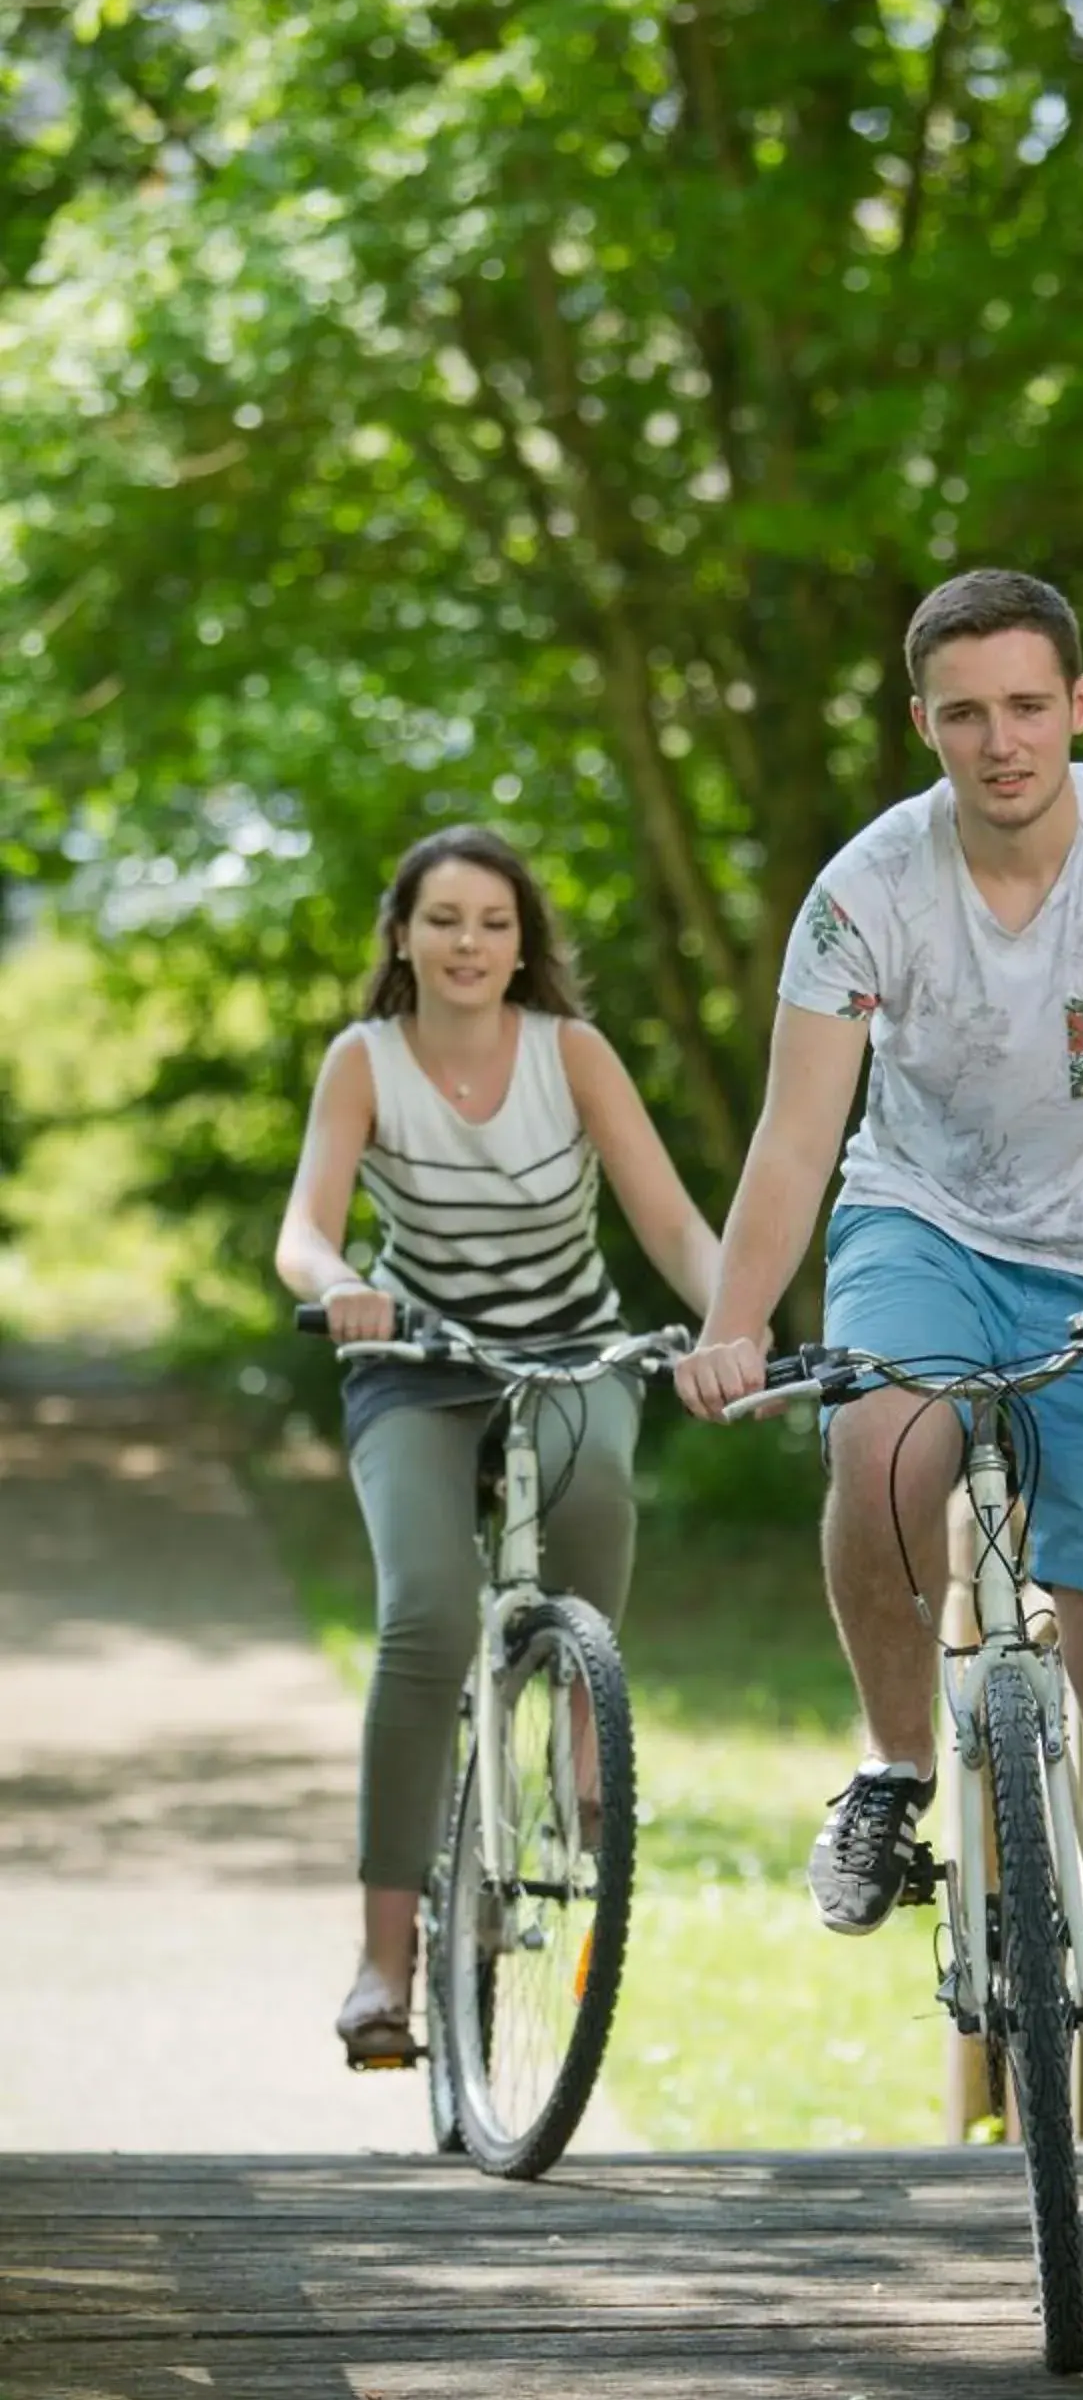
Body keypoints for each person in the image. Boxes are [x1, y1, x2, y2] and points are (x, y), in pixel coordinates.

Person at [676, 569, 1083, 2221]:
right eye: (966, 713)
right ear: (925, 726)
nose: (1001, 740)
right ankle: (893, 1772)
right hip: (924, 1224)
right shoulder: (868, 887)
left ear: (1080, 708)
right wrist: (737, 1325)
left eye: (1031, 706)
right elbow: (801, 1136)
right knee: (886, 1440)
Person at [276, 824, 719, 2066]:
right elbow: (303, 1233)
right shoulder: (365, 1062)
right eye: (443, 920)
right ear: (402, 938)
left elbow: (673, 1222)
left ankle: (584, 1727)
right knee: (423, 1615)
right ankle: (382, 1960)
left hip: (570, 1349)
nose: (468, 944)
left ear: (524, 946)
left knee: (595, 1495)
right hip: (414, 1364)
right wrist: (345, 1281)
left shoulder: (570, 1056)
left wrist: (732, 1326)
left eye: (493, 923)